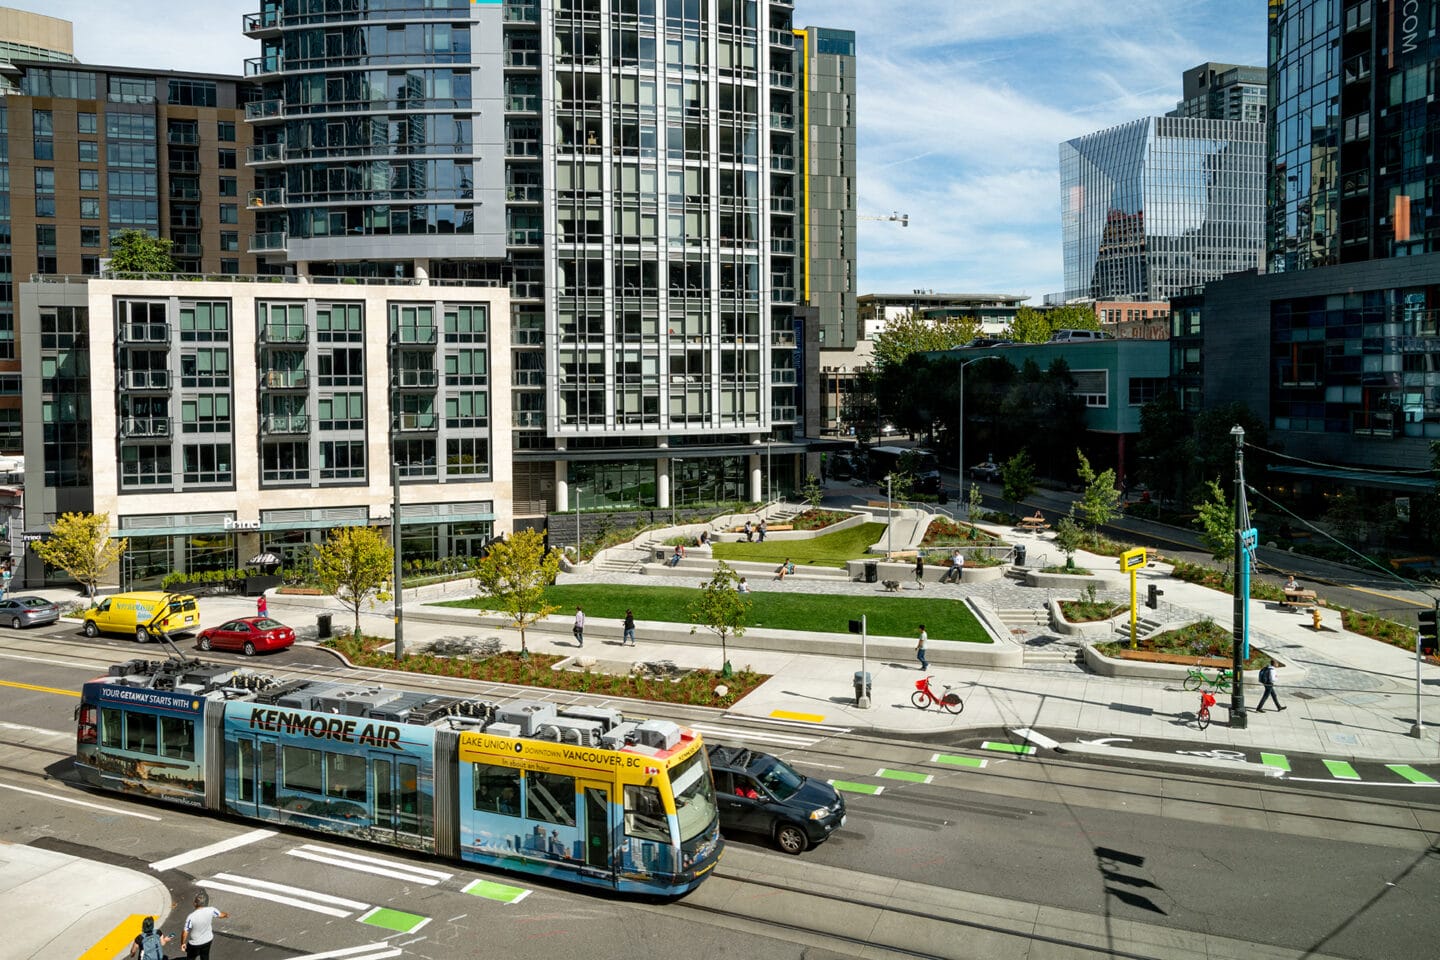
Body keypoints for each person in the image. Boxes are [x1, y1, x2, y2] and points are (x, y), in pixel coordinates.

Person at [180, 892, 228, 960]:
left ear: (195, 903)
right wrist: (226, 915)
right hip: (208, 940)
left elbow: (185, 932)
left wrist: (183, 943)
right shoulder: (211, 910)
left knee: (191, 957)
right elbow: (221, 915)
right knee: (205, 956)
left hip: (195, 943)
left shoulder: (191, 917)